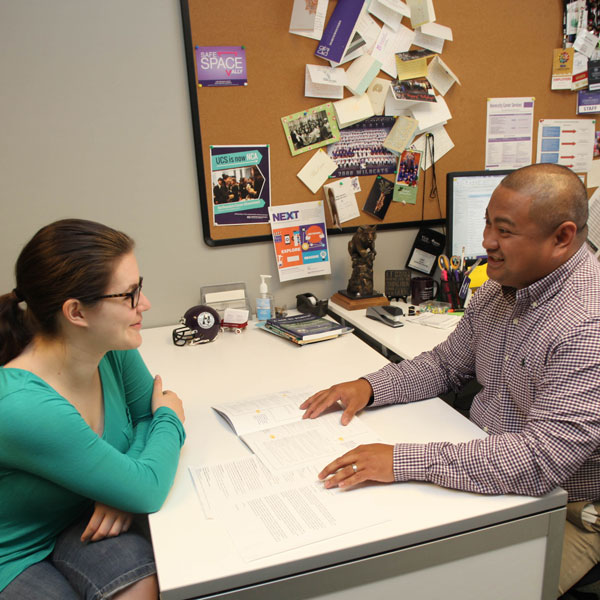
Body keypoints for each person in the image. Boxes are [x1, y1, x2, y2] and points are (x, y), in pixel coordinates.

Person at [300, 163, 600, 596]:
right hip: (484, 462)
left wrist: (402, 461)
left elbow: (539, 461)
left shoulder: (585, 324)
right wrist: (369, 387)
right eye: (486, 225)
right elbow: (445, 363)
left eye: (505, 231)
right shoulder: (502, 289)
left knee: (455, 587)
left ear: (562, 237)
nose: (486, 243)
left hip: (561, 505)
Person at [0, 219, 186, 599]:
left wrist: (123, 487)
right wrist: (172, 417)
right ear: (77, 313)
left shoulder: (109, 348)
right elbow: (150, 482)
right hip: (12, 553)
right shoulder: (23, 405)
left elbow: (143, 417)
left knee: (143, 583)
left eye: (140, 287)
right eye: (129, 295)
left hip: (75, 518)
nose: (144, 304)